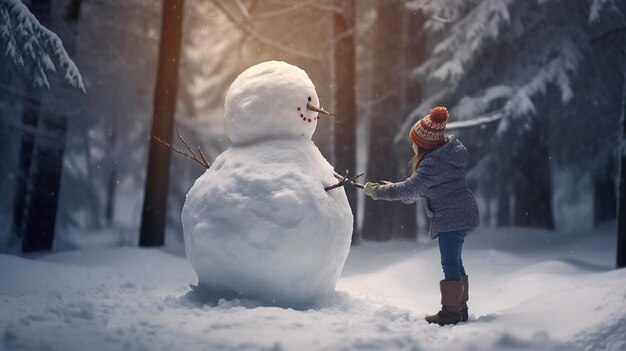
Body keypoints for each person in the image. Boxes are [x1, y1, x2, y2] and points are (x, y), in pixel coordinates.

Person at [363, 106, 479, 326]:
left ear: (424, 144)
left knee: (449, 262)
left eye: (414, 141)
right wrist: (390, 188)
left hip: (451, 216)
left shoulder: (433, 163)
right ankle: (460, 308)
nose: (412, 145)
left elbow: (409, 190)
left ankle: (451, 312)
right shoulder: (446, 155)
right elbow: (415, 190)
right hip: (461, 211)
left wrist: (378, 192)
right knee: (455, 261)